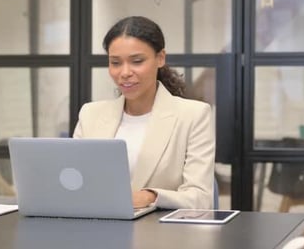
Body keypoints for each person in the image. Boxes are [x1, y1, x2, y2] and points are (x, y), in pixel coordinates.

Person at [73, 16, 215, 209]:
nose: (124, 72)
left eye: (137, 61)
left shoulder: (193, 115)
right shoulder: (90, 114)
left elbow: (200, 198)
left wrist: (151, 196)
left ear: (160, 58)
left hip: (163, 234)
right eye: (115, 63)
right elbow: (74, 183)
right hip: (98, 228)